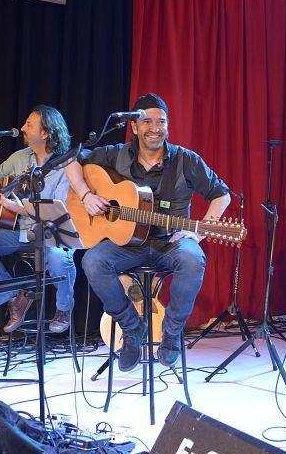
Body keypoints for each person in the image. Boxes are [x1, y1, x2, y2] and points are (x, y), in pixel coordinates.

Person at [67, 93, 230, 371]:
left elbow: (221, 194)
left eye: (161, 121)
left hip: (172, 243)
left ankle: (171, 333)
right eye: (147, 122)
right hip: (128, 244)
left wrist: (199, 233)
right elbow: (70, 160)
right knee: (92, 261)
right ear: (133, 126)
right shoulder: (116, 154)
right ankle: (131, 328)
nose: (155, 128)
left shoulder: (185, 160)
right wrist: (85, 195)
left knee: (193, 259)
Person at [0, 105, 77, 334]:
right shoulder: (20, 158)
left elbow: (57, 209)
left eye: (29, 124)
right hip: (22, 233)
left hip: (53, 233)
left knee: (58, 258)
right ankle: (15, 298)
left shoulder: (65, 165)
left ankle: (63, 309)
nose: (23, 128)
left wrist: (20, 208)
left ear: (45, 133)